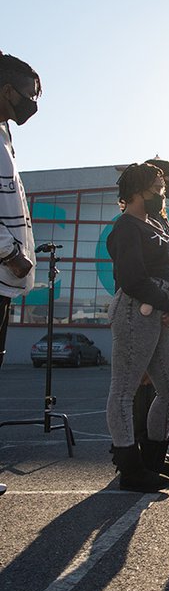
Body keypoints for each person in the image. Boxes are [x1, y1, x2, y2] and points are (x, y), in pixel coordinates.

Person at [106, 163, 169, 492]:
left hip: (162, 307)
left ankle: (155, 456)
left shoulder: (158, 222)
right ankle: (130, 466)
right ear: (137, 192)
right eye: (156, 188)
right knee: (124, 390)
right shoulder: (126, 227)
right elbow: (131, 277)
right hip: (135, 310)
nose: (162, 192)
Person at [0, 51, 41, 497]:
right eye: (28, 96)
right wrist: (11, 251)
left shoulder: (5, 137)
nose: (31, 105)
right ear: (6, 90)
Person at [132, 158, 169, 446]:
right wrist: (165, 304)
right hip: (145, 310)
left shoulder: (161, 216)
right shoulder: (137, 221)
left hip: (162, 308)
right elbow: (134, 274)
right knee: (141, 383)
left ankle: (152, 449)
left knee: (163, 386)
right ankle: (136, 449)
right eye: (167, 180)